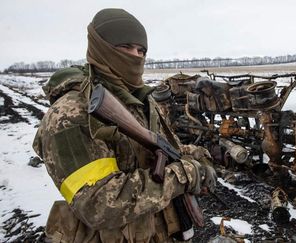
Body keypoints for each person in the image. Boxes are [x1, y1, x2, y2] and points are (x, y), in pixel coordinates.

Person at [33, 8, 217, 242]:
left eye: (141, 50)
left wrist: (200, 158)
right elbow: (100, 203)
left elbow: (171, 149)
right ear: (101, 47)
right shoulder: (70, 113)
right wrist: (183, 175)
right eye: (125, 47)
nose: (136, 56)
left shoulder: (141, 100)